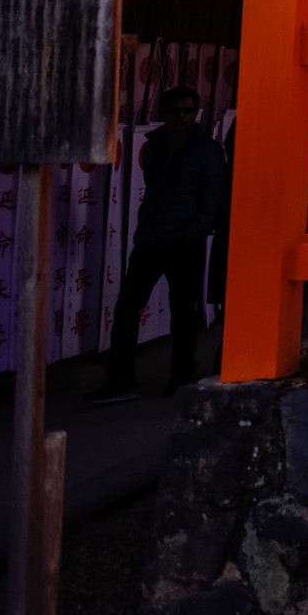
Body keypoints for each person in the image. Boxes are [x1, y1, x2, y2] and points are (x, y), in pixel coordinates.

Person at [89, 86, 226, 403]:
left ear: (196, 113)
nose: (181, 116)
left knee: (183, 312)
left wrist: (192, 233)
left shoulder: (207, 151)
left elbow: (212, 200)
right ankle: (121, 378)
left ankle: (181, 374)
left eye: (187, 110)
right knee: (127, 308)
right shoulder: (153, 147)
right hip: (150, 238)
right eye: (175, 110)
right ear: (163, 114)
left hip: (183, 242)